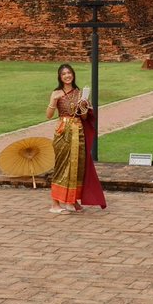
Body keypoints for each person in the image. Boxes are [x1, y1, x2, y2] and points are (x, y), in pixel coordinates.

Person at [44, 64, 106, 213]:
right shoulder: (56, 93)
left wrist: (83, 107)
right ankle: (55, 204)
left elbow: (84, 117)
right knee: (61, 166)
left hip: (78, 132)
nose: (67, 76)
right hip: (63, 132)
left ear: (73, 75)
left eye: (69, 73)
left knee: (78, 166)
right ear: (60, 77)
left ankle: (72, 201)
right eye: (64, 73)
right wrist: (53, 100)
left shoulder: (79, 93)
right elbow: (48, 115)